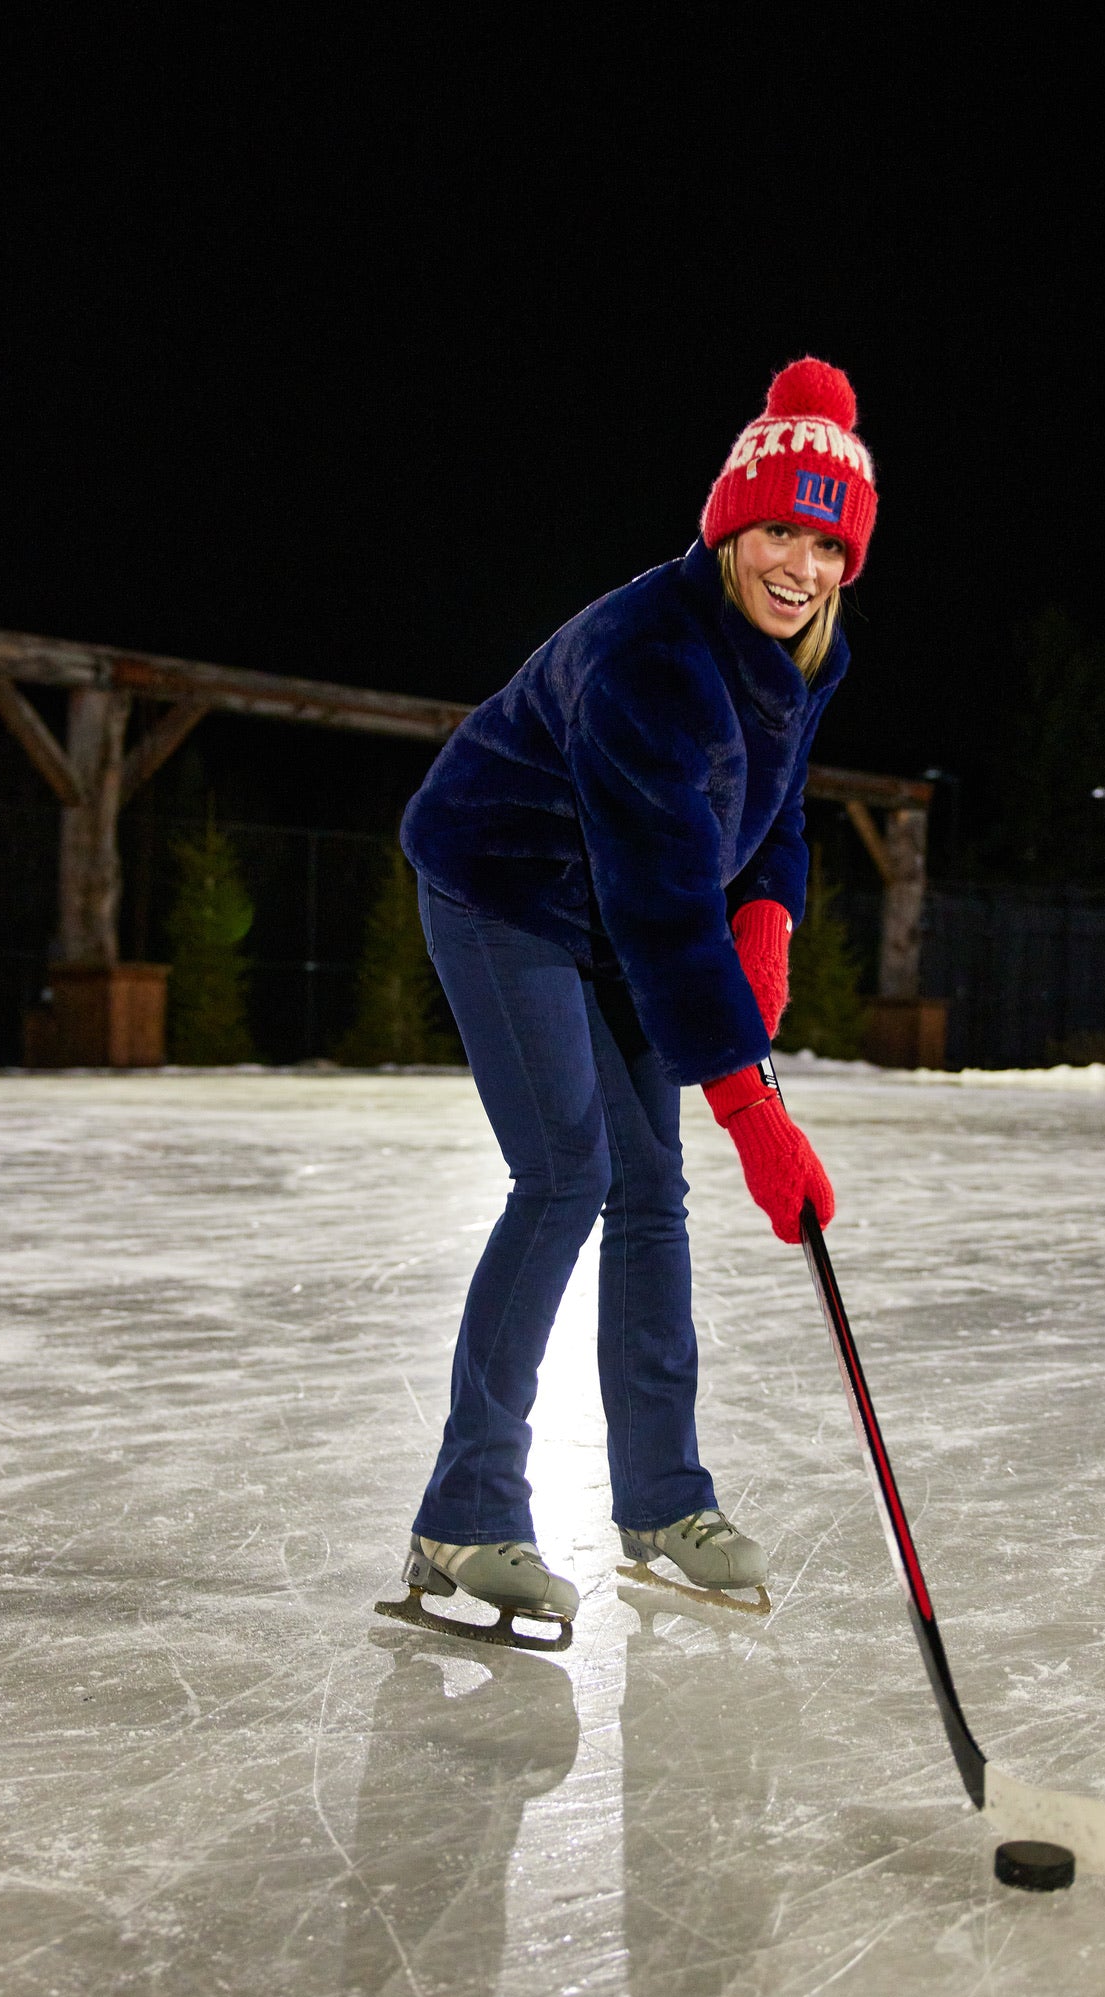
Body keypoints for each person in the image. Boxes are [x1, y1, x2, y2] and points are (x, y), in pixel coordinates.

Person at [395, 357, 877, 1637]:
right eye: (780, 528)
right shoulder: (649, 658)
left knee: (648, 1185)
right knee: (567, 1170)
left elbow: (772, 811)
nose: (802, 564)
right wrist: (754, 1111)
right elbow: (666, 916)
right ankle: (466, 1510)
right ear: (732, 525)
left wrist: (768, 912)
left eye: (827, 541)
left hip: (616, 901)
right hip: (507, 886)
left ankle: (663, 1498)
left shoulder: (802, 651)